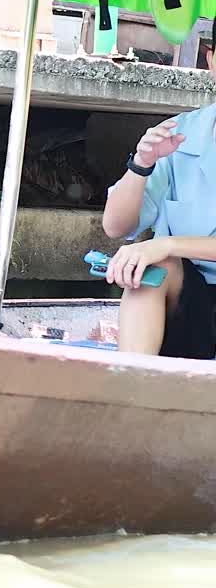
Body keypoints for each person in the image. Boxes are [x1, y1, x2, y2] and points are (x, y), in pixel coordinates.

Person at [102, 48, 216, 358]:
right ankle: (134, 379)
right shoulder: (179, 134)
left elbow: (165, 246)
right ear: (211, 60)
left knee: (159, 253)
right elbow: (115, 227)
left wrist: (167, 244)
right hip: (190, 303)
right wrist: (142, 164)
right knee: (153, 267)